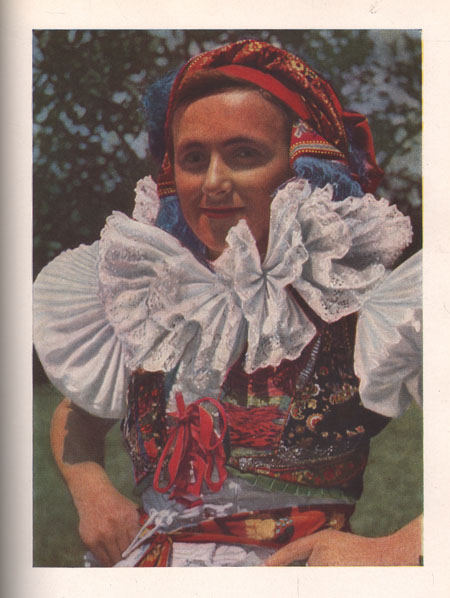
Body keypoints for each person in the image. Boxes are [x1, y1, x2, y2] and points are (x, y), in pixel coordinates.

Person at [34, 39, 422, 567]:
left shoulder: (354, 301)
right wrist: (91, 490)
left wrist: (402, 547)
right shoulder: (153, 294)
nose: (213, 182)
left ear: (301, 167)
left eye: (244, 154)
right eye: (195, 158)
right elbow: (79, 411)